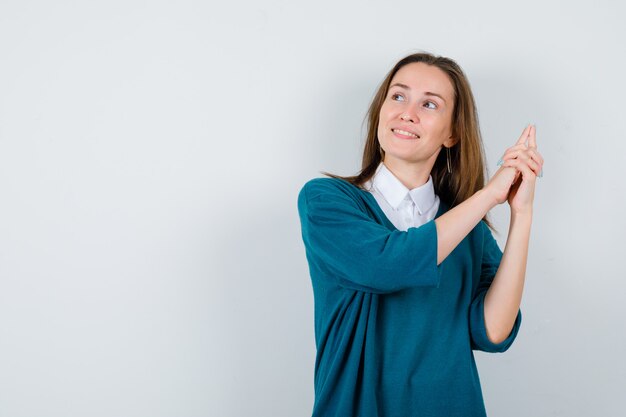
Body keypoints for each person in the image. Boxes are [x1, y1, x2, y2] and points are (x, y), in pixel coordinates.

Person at [296, 52, 544, 417]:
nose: (407, 112)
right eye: (398, 96)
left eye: (429, 104)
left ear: (452, 134)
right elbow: (387, 264)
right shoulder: (327, 200)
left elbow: (492, 331)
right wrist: (489, 195)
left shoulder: (467, 229)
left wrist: (521, 215)